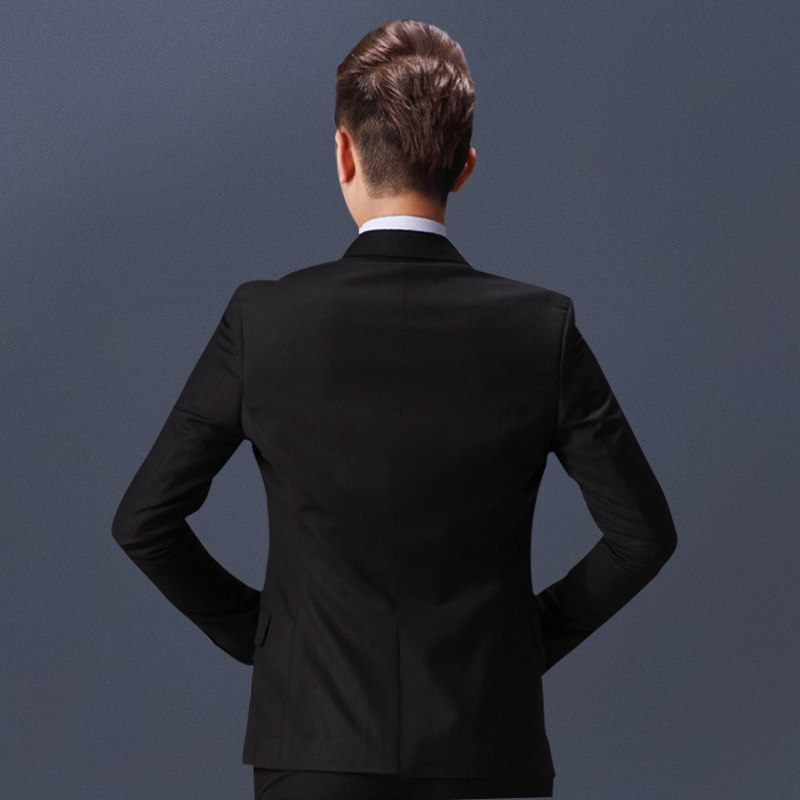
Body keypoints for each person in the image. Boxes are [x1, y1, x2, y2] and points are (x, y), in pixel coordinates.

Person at [111, 18, 677, 800]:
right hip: (487, 749)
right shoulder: (539, 329)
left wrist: (271, 643)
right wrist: (522, 646)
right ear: (465, 166)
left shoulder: (265, 322)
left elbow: (144, 522)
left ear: (344, 153)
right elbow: (642, 536)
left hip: (313, 751)